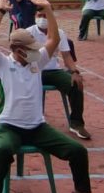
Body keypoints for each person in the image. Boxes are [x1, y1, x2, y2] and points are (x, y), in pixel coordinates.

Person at [0, 0, 104, 193]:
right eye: (30, 49)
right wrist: (0, 12)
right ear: (17, 50)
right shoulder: (2, 65)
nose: (35, 51)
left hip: (37, 127)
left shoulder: (36, 62)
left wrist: (48, 9)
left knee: (78, 151)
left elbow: (54, 40)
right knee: (3, 149)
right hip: (8, 126)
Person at [28, 10, 88, 139]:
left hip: (53, 71)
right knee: (23, 86)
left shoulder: (59, 33)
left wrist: (74, 72)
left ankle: (76, 123)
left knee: (76, 84)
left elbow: (67, 56)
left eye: (45, 16)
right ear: (35, 16)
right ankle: (28, 121)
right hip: (33, 71)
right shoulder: (28, 33)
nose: (42, 19)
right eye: (39, 15)